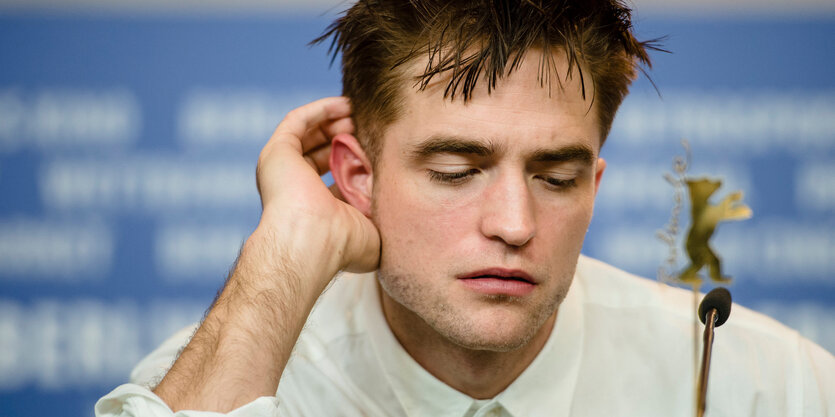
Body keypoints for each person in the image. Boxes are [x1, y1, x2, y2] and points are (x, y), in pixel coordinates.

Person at [96, 0, 835, 416]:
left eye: (555, 177)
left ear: (595, 183)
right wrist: (286, 245)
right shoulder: (231, 377)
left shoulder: (767, 386)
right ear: (357, 175)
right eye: (455, 170)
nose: (513, 224)